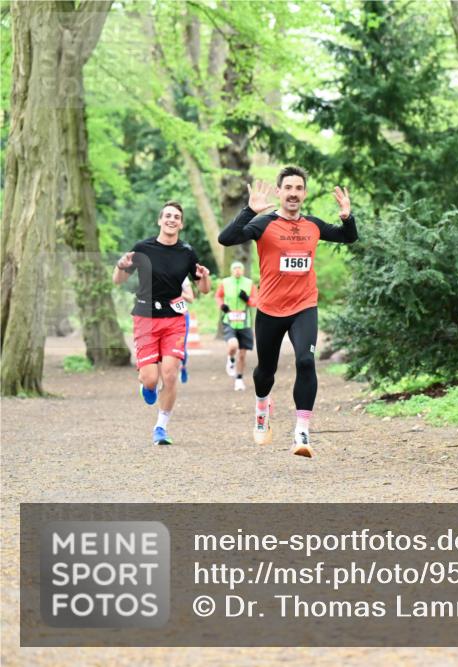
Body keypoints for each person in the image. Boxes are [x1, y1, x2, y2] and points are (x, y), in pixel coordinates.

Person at [218, 166, 357, 458]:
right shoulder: (263, 224)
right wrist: (248, 211)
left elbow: (348, 237)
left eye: (298, 188)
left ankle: (301, 432)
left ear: (304, 194)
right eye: (288, 188)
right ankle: (261, 409)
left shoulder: (313, 225)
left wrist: (347, 217)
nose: (293, 193)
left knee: (306, 361)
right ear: (279, 192)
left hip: (304, 306)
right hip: (269, 308)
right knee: (265, 372)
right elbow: (226, 239)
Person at [113, 201, 211, 445]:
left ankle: (161, 427)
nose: (171, 219)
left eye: (176, 216)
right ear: (159, 220)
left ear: (181, 223)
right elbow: (119, 280)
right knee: (151, 379)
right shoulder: (143, 248)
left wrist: (205, 278)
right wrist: (120, 266)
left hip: (174, 318)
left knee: (170, 374)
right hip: (145, 317)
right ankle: (146, 385)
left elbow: (203, 289)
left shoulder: (187, 252)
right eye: (167, 215)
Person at [215, 261, 258, 391]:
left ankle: (239, 379)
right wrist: (222, 305)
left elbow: (256, 302)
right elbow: (218, 296)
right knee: (233, 346)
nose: (237, 270)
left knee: (243, 355)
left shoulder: (249, 283)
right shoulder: (225, 282)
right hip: (230, 321)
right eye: (235, 268)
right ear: (231, 270)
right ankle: (230, 358)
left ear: (243, 270)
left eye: (239, 268)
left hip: (245, 323)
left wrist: (247, 299)